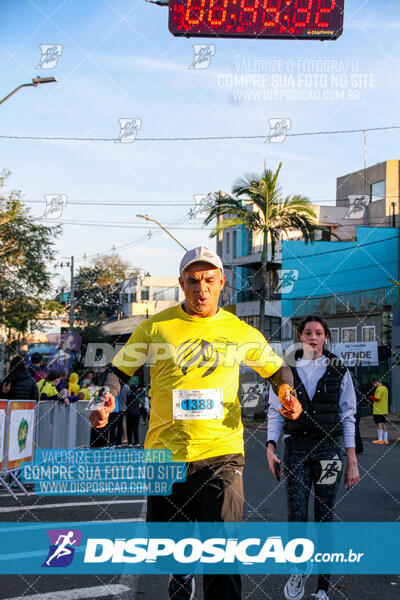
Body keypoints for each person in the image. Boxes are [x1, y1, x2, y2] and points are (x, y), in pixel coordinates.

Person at [90, 246, 299, 600]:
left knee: (222, 552)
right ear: (181, 284)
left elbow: (276, 367)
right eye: (192, 281)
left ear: (222, 282)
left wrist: (286, 392)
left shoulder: (237, 330)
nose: (200, 288)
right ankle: (181, 572)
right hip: (165, 455)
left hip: (222, 453)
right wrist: (105, 398)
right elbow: (119, 370)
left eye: (208, 280)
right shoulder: (156, 326)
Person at [267, 315, 360, 600]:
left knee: (324, 516)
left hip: (328, 451)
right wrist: (271, 446)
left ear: (326, 338)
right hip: (295, 449)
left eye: (318, 333)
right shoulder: (285, 370)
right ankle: (298, 569)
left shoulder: (339, 370)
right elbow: (274, 411)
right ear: (300, 337)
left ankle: (323, 588)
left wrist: (352, 461)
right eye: (307, 332)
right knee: (296, 514)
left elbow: (348, 416)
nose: (312, 337)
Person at [370, 378, 389, 444]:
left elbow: (377, 398)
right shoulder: (385, 388)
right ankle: (385, 440)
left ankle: (380, 440)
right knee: (384, 423)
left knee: (379, 423)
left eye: (373, 384)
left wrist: (370, 397)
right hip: (384, 409)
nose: (374, 386)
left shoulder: (379, 389)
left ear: (376, 382)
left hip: (378, 409)